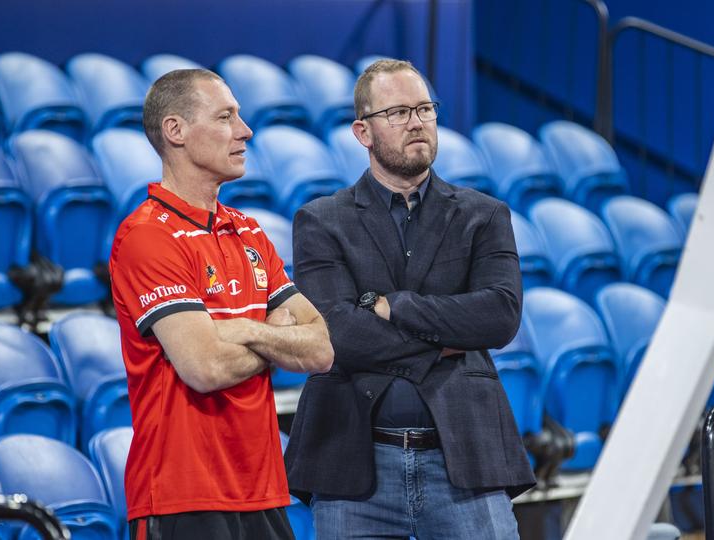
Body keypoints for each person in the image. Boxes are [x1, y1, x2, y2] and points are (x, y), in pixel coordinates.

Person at [284, 59, 535, 539]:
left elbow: (499, 317)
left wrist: (396, 306)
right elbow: (338, 331)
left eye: (424, 108)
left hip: (466, 456)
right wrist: (443, 341)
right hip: (354, 465)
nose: (417, 122)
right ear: (363, 131)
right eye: (398, 112)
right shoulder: (321, 221)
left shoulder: (484, 216)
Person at [109, 69, 334, 540]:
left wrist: (243, 329)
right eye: (226, 116)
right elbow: (204, 367)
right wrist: (274, 334)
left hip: (264, 490)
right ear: (176, 131)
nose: (245, 130)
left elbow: (319, 350)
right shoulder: (148, 236)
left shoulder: (249, 231)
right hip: (183, 498)